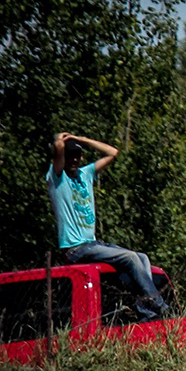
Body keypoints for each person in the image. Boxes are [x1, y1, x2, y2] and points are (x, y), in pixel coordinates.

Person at [45, 130, 168, 320]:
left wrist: (81, 139)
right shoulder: (57, 178)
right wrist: (61, 139)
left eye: (77, 156)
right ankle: (158, 305)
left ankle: (148, 313)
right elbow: (59, 148)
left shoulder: (85, 174)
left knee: (142, 258)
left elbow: (113, 153)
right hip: (76, 248)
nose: (74, 160)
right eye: (70, 156)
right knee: (130, 258)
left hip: (93, 244)